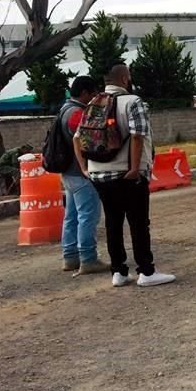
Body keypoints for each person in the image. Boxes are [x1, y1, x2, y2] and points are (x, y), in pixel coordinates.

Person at [74, 64, 175, 288]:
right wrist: (134, 167)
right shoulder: (133, 102)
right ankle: (146, 272)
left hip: (99, 174)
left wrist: (84, 168)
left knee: (113, 221)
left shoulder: (93, 103)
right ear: (125, 78)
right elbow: (137, 136)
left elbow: (77, 139)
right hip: (128, 174)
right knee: (138, 222)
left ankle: (118, 272)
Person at [59, 76, 108, 275]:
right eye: (93, 93)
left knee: (71, 216)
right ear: (86, 93)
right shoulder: (76, 113)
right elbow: (84, 141)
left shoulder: (63, 109)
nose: (95, 98)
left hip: (68, 173)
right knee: (88, 215)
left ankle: (70, 256)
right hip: (80, 172)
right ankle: (88, 258)